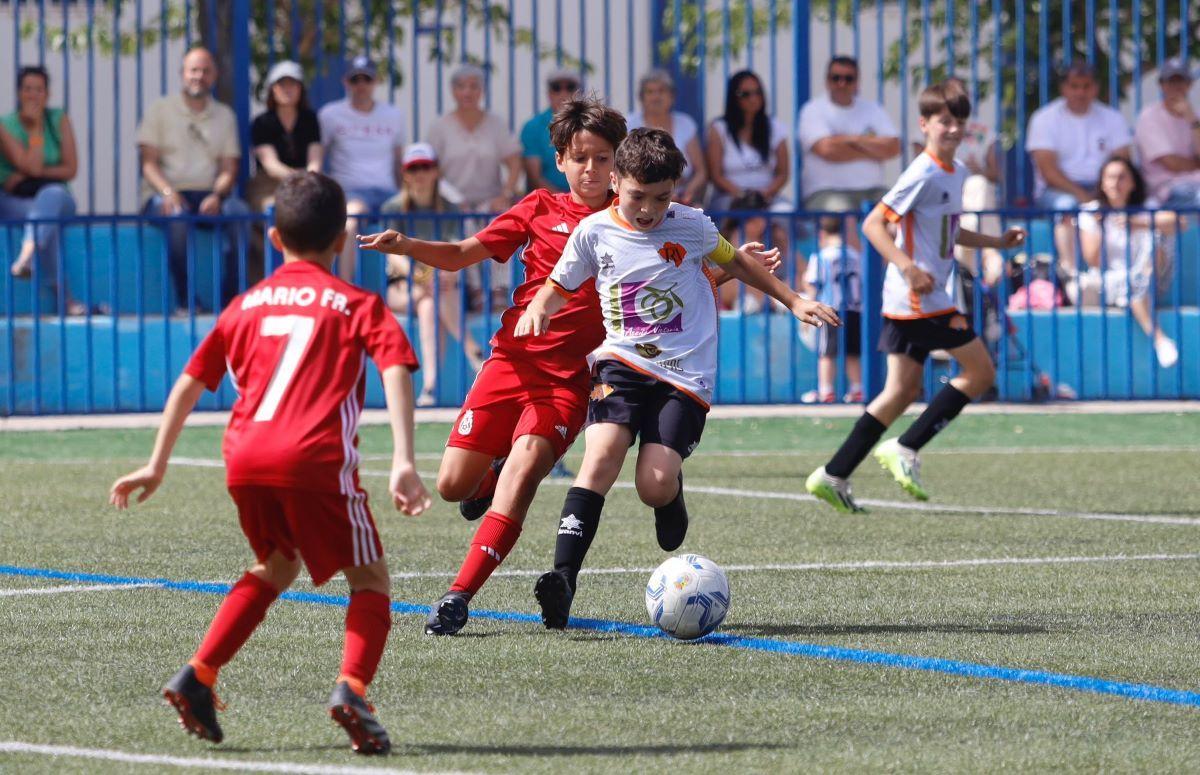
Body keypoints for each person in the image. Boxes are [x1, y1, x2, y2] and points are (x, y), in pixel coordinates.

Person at [108, 171, 431, 755]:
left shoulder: (246, 305)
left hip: (245, 460)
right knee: (372, 579)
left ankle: (199, 674)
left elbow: (188, 383)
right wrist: (403, 460)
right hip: (313, 460)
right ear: (340, 241)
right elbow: (395, 368)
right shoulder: (356, 303)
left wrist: (156, 463)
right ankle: (352, 688)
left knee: (277, 565)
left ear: (274, 239)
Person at [513, 128, 839, 629]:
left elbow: (737, 262)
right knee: (599, 457)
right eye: (638, 197)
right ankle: (562, 579)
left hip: (683, 374)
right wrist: (538, 309)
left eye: (661, 198)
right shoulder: (593, 232)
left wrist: (793, 299)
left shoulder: (691, 225)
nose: (648, 210)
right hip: (619, 362)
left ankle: (671, 492)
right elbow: (558, 285)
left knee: (654, 484)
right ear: (615, 181)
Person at [358, 98, 627, 637]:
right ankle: (490, 474)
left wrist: (730, 274)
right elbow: (461, 254)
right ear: (559, 161)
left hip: (568, 382)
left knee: (526, 469)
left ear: (617, 161)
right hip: (509, 364)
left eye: (602, 158)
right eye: (580, 157)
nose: (591, 169)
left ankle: (459, 596)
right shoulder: (537, 208)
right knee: (455, 486)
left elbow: (681, 270)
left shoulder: (633, 216)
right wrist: (407, 245)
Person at [805, 80, 1026, 513]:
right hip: (919, 298)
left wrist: (998, 244)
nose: (953, 129)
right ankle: (905, 447)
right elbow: (873, 224)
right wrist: (908, 267)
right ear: (925, 124)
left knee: (901, 391)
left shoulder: (957, 171)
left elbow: (948, 231)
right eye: (944, 121)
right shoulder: (922, 172)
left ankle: (831, 475)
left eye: (960, 121)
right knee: (980, 372)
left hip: (917, 297)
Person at [137, 47, 251, 313]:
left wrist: (218, 194)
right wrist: (167, 192)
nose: (199, 76)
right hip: (164, 194)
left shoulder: (225, 115)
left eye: (205, 71)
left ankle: (230, 302)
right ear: (182, 74)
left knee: (239, 213)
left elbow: (229, 166)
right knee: (176, 217)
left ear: (215, 76)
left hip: (208, 194)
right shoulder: (160, 109)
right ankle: (186, 302)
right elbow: (148, 162)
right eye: (193, 70)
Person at [381, 143, 485, 406]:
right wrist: (423, 275)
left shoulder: (450, 207)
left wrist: (435, 275)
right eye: (413, 168)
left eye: (425, 167)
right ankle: (475, 353)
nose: (419, 173)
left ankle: (429, 387)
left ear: (436, 171)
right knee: (432, 295)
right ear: (404, 173)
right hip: (403, 285)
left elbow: (454, 249)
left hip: (441, 283)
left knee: (430, 305)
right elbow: (392, 254)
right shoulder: (393, 207)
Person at [426, 63, 523, 307]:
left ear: (481, 91)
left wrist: (506, 193)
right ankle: (476, 290)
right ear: (452, 91)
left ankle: (499, 289)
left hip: (490, 199)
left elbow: (513, 162)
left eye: (473, 87)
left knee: (498, 225)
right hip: (454, 201)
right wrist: (455, 199)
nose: (467, 92)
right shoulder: (440, 126)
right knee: (466, 221)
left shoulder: (495, 124)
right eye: (461, 87)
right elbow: (431, 169)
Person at [1026, 63, 1132, 276]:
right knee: (1067, 207)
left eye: (1086, 86)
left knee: (1129, 205)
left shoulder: (1112, 118)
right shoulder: (1044, 118)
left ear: (1095, 88)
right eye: (1074, 86)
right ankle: (1070, 272)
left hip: (1104, 185)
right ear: (1064, 88)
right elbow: (1048, 171)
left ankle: (1120, 274)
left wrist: (1104, 192)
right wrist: (1085, 196)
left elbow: (1122, 160)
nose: (1080, 92)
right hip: (1059, 189)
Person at [1075, 156, 1180, 368]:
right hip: (1114, 282)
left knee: (1158, 234)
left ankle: (1156, 332)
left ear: (1133, 183)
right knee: (1135, 286)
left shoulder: (1146, 207)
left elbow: (1179, 222)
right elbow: (1093, 260)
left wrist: (1137, 223)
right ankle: (1159, 339)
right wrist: (1102, 226)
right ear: (1102, 183)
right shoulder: (1091, 211)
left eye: (1122, 177)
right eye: (1110, 177)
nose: (1116, 183)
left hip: (1150, 278)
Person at [0, 65, 81, 314]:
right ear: (18, 93)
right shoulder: (5, 125)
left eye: (39, 89)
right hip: (17, 201)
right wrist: (35, 130)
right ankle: (65, 300)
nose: (33, 95)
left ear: (47, 94)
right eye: (27, 89)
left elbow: (69, 169)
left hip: (55, 197)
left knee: (51, 196)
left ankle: (27, 253)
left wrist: (28, 172)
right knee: (45, 222)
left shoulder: (59, 119)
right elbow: (33, 166)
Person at [319, 56, 406, 283]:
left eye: (366, 79)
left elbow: (399, 162)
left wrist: (405, 193)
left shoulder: (393, 115)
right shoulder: (330, 114)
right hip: (350, 191)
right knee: (352, 219)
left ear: (375, 81)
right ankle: (345, 284)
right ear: (346, 82)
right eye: (355, 79)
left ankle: (409, 285)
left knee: (411, 215)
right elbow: (319, 156)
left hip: (388, 191)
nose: (360, 85)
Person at [797, 56, 901, 213]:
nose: (842, 83)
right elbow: (827, 150)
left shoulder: (873, 109)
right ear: (827, 81)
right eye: (836, 78)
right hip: (826, 192)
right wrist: (870, 146)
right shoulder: (813, 110)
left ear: (857, 82)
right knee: (844, 214)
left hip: (873, 190)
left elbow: (893, 148)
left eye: (848, 78)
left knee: (900, 210)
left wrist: (850, 141)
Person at [706, 70, 791, 214]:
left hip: (767, 196)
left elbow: (783, 173)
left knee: (785, 212)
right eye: (745, 94)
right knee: (741, 214)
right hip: (730, 196)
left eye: (757, 92)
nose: (753, 98)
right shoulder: (719, 128)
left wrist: (765, 194)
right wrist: (743, 195)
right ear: (734, 97)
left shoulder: (775, 127)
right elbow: (716, 175)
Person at [801, 216, 863, 403]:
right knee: (852, 352)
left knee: (826, 352)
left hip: (829, 308)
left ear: (821, 234)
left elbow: (813, 285)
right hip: (854, 309)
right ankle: (856, 388)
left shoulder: (820, 257)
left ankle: (826, 390)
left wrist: (808, 310)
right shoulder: (855, 255)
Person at [247, 60, 323, 213]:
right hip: (269, 185)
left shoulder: (310, 120)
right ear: (272, 89)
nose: (287, 89)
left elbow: (315, 160)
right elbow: (271, 165)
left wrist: (307, 180)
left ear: (301, 89)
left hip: (306, 184)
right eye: (282, 84)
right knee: (279, 210)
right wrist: (299, 179)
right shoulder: (262, 122)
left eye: (293, 84)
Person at [626, 68, 708, 205]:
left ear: (672, 96)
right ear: (641, 98)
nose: (656, 97)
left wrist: (688, 192)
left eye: (661, 91)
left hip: (681, 197)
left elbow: (701, 171)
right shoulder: (630, 124)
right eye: (650, 92)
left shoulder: (686, 124)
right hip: (642, 198)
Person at [1134, 58, 1200, 208]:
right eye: (1171, 82)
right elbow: (1172, 163)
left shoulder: (1195, 117)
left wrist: (1193, 121)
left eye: (1181, 81)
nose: (1176, 87)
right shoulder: (1149, 117)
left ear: (1189, 85)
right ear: (1161, 85)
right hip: (1164, 189)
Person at [520, 68, 581, 195]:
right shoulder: (533, 127)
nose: (563, 93)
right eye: (556, 88)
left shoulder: (591, 125)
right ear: (549, 93)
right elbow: (535, 179)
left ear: (578, 92)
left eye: (569, 87)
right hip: (549, 202)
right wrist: (567, 202)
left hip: (587, 200)